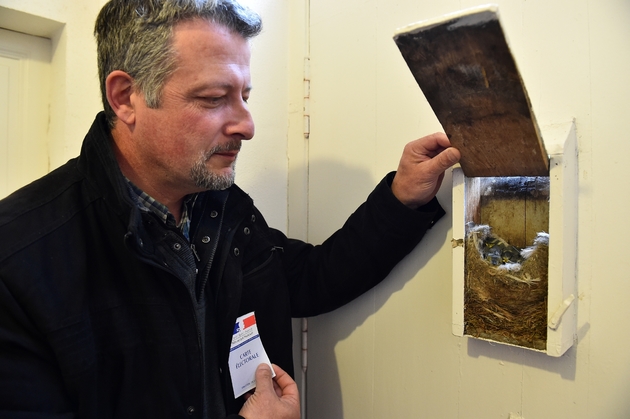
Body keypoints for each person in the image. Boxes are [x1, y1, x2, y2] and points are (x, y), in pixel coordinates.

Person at [0, 0, 460, 418]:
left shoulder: (221, 208)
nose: (247, 124)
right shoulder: (20, 260)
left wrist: (403, 197)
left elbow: (310, 279)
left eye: (245, 96)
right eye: (214, 98)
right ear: (125, 97)